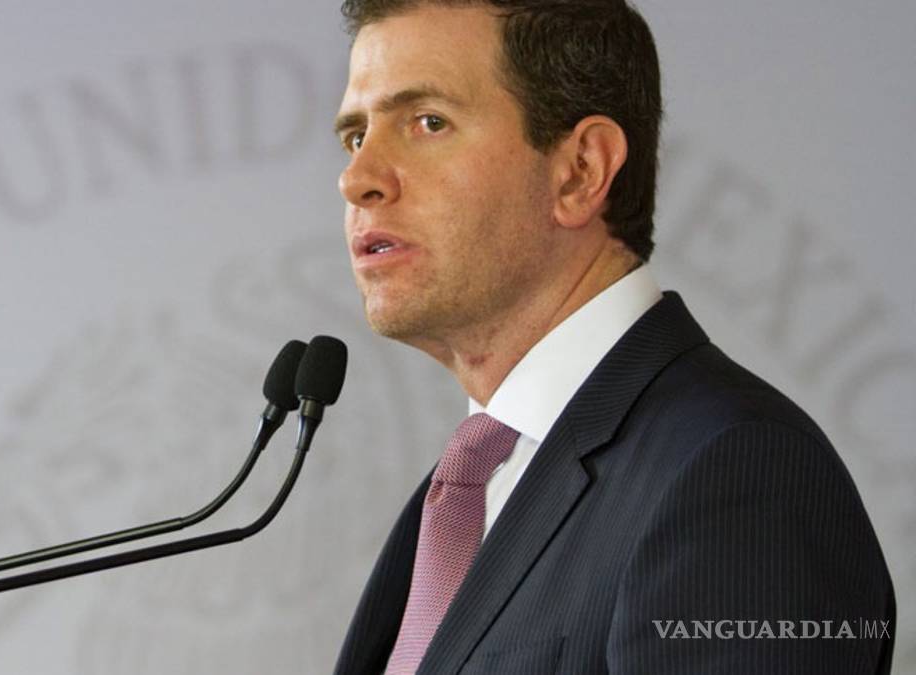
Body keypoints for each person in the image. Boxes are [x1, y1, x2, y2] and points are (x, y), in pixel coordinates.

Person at [329, 1, 895, 673]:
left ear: (581, 170)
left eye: (428, 122)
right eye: (356, 136)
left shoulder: (740, 474)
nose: (357, 179)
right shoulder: (470, 488)